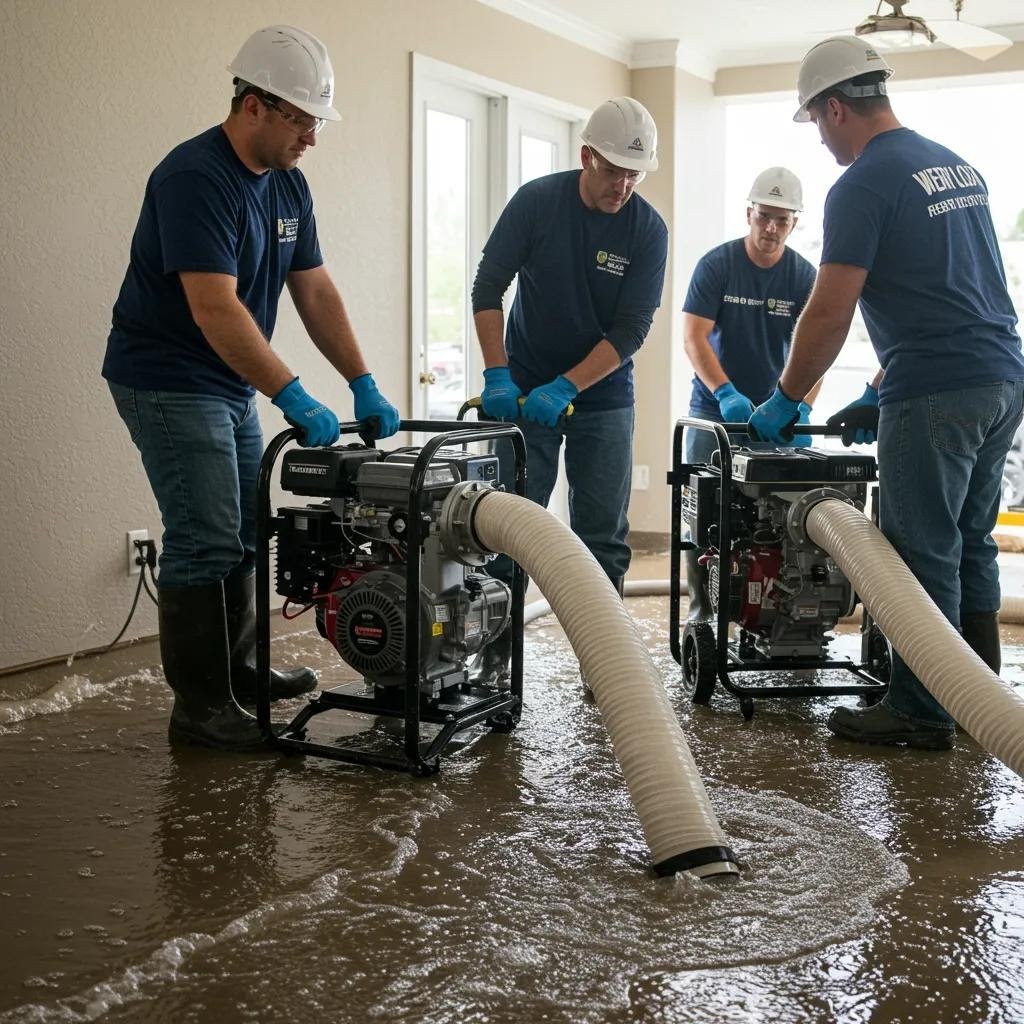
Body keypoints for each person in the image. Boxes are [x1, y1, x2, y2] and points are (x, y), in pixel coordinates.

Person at [102, 25, 401, 750]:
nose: (312, 137)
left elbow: (316, 290)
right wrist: (292, 393)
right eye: (302, 119)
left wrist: (361, 378)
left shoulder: (288, 184)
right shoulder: (194, 178)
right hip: (169, 378)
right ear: (255, 105)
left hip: (224, 383)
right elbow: (215, 307)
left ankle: (237, 677)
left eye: (315, 121)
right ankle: (201, 711)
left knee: (240, 534)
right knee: (205, 539)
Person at [748, 36, 1024, 750]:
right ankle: (980, 698)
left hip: (937, 390)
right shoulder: (951, 165)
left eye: (815, 122)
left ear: (836, 107)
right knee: (968, 543)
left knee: (917, 554)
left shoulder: (865, 182)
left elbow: (831, 309)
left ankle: (923, 710)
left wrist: (786, 396)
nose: (821, 140)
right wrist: (878, 386)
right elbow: (954, 293)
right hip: (1000, 377)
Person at [469, 96, 668, 682]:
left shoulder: (647, 229)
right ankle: (496, 661)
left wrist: (569, 385)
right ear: (587, 156)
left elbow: (631, 330)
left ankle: (602, 665)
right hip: (522, 387)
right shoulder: (538, 203)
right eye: (612, 170)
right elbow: (487, 288)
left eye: (634, 173)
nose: (623, 185)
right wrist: (496, 373)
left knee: (601, 533)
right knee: (510, 525)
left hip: (602, 395)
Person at [682, 167, 819, 620]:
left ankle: (767, 613)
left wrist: (801, 408)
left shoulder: (803, 276)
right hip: (715, 414)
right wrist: (725, 393)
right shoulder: (718, 265)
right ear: (749, 213)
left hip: (774, 419)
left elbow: (817, 350)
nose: (771, 227)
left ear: (795, 222)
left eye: (782, 219)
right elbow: (694, 337)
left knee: (775, 523)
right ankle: (704, 614)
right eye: (764, 216)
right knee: (702, 516)